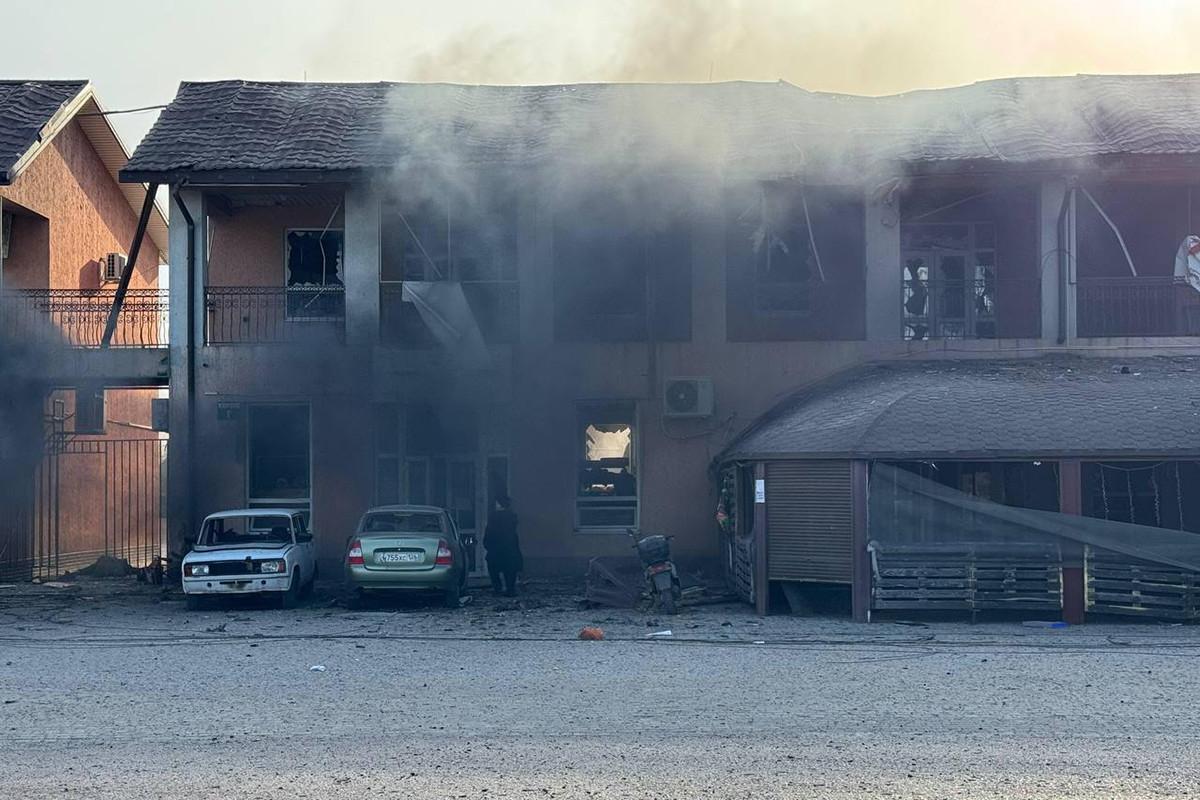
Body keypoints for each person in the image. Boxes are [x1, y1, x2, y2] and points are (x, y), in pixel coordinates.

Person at [484, 495, 522, 596]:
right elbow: (514, 534)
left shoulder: (493, 517)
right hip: (510, 548)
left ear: (500, 504)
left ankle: (498, 589)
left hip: (496, 549)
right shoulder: (512, 517)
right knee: (510, 570)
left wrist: (487, 544)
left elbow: (489, 533)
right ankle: (510, 590)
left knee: (493, 570)